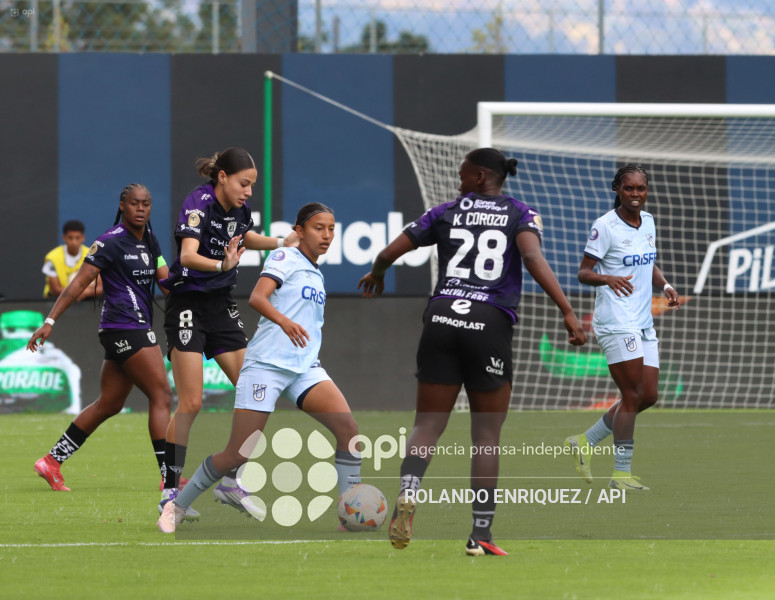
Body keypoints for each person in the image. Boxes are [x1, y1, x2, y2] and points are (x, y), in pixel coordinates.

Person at [358, 148, 587, 556]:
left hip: (442, 317)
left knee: (426, 426)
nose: (459, 181)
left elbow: (389, 253)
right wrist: (567, 311)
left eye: (463, 174)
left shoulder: (445, 212)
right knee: (485, 437)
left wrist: (376, 272)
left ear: (481, 176)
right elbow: (532, 258)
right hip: (489, 322)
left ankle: (409, 493)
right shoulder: (521, 213)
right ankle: (480, 534)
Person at [157, 202, 361, 533]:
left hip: (305, 368)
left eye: (331, 228)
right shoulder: (285, 258)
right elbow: (257, 298)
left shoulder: (315, 270)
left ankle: (349, 516)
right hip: (265, 367)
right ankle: (176, 506)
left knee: (349, 432)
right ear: (299, 231)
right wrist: (285, 322)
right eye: (318, 227)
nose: (326, 235)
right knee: (236, 454)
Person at [160, 147, 299, 516]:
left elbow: (244, 236)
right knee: (191, 401)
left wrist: (279, 243)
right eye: (244, 183)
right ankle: (170, 491)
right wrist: (222, 262)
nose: (249, 192)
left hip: (221, 306)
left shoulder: (239, 211)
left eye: (252, 185)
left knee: (256, 393)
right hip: (188, 305)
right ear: (222, 177)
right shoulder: (198, 204)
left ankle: (231, 482)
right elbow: (188, 256)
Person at [29, 184, 177, 504]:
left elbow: (167, 283)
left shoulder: (150, 240)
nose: (141, 209)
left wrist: (202, 280)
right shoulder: (107, 243)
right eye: (134, 203)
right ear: (122, 205)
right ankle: (170, 477)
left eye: (146, 204)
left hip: (128, 329)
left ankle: (51, 462)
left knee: (109, 404)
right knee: (162, 394)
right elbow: (75, 286)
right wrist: (50, 322)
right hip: (125, 327)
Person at [564, 165, 679, 491]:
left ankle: (585, 442)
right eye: (629, 188)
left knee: (649, 395)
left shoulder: (649, 222)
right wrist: (607, 277)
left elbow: (648, 260)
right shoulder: (605, 226)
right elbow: (583, 273)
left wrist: (666, 285)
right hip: (616, 321)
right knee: (632, 394)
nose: (636, 194)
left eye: (641, 188)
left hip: (643, 322)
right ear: (617, 189)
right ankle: (622, 474)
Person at [42, 220, 102, 300]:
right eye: (70, 238)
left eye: (77, 238)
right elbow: (55, 290)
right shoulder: (53, 257)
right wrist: (76, 293)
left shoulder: (92, 255)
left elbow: (99, 288)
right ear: (64, 238)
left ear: (83, 238)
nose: (74, 242)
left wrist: (85, 292)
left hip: (86, 301)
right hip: (57, 300)